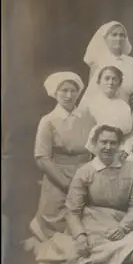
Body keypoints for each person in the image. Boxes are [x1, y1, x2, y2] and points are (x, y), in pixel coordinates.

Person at [33, 125, 133, 264]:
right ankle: (102, 258)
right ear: (95, 143)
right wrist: (80, 236)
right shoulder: (85, 171)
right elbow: (72, 210)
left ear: (119, 145)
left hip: (118, 222)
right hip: (91, 223)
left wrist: (124, 228)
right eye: (103, 142)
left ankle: (97, 260)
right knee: (76, 250)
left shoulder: (130, 169)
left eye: (113, 143)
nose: (108, 147)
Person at [27, 72, 95, 244]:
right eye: (64, 90)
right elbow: (42, 158)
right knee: (62, 224)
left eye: (73, 90)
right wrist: (67, 183)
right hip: (59, 176)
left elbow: (94, 146)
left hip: (85, 173)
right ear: (55, 93)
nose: (69, 95)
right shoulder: (48, 120)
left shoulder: (87, 117)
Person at [80, 65, 133, 181]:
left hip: (122, 152)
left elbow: (129, 134)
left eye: (114, 79)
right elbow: (86, 135)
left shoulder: (124, 105)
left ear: (119, 83)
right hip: (100, 153)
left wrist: (126, 151)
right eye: (107, 78)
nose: (111, 82)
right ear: (99, 81)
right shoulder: (90, 106)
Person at [80, 21, 133, 108]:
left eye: (122, 35)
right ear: (105, 38)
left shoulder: (132, 62)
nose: (118, 38)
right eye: (114, 35)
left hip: (127, 109)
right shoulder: (98, 63)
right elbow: (92, 93)